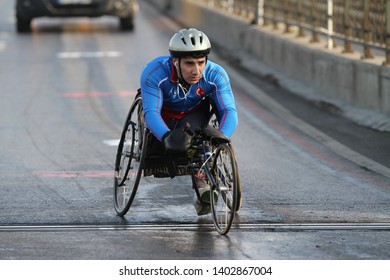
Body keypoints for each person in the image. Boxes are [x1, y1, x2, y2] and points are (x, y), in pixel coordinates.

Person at [140, 28, 238, 215]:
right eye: (189, 64)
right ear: (175, 61)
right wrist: (166, 136)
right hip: (164, 115)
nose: (196, 70)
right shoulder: (154, 73)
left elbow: (228, 110)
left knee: (196, 142)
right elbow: (151, 112)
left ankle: (202, 185)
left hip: (193, 113)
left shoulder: (216, 75)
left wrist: (222, 137)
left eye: (201, 63)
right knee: (173, 143)